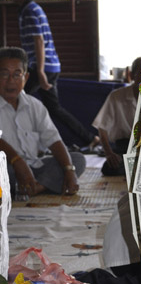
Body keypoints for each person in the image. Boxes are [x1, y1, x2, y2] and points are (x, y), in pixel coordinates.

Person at [9, 0, 99, 151]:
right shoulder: (26, 10)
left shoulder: (31, 10)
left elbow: (39, 41)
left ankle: (25, 143)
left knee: (12, 98)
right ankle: (89, 138)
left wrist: (40, 71)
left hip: (41, 66)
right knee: (51, 107)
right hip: (42, 66)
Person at [0, 47, 85, 197]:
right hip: (8, 168)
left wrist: (69, 170)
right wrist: (17, 161)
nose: (10, 81)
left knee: (77, 160)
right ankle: (40, 185)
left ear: (25, 78)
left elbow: (53, 140)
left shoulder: (34, 106)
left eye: (17, 74)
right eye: (4, 74)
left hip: (33, 168)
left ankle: (33, 187)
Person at [92, 57, 141, 176]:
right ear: (131, 75)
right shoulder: (117, 96)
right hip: (125, 146)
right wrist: (109, 153)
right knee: (110, 168)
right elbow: (102, 127)